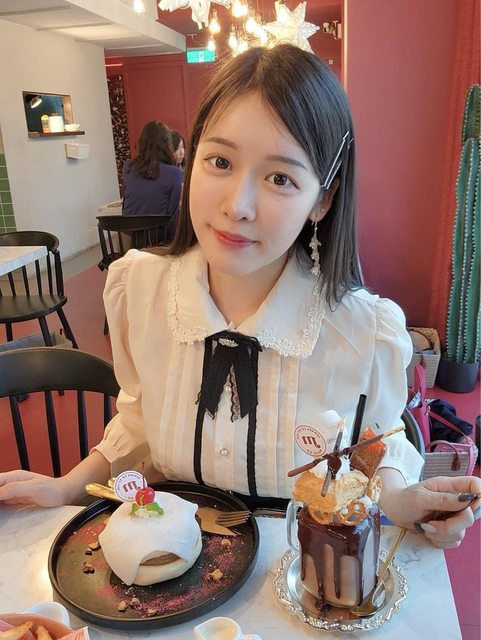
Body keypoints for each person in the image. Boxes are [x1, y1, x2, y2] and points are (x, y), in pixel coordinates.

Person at [0, 45, 479, 550]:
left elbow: (376, 447)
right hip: (172, 566)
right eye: (220, 161)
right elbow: (139, 417)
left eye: (280, 178)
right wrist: (67, 487)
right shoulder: (139, 289)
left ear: (323, 199)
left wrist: (406, 501)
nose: (237, 205)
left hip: (305, 575)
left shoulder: (363, 331)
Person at [122, 120, 183, 240]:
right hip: (160, 239)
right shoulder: (174, 173)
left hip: (132, 235)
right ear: (167, 145)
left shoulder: (128, 167)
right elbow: (172, 220)